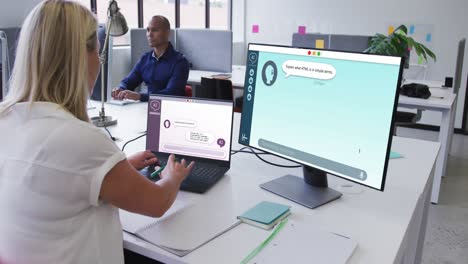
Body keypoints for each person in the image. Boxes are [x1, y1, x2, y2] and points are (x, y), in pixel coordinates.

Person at [0, 1, 194, 264]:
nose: (99, 61)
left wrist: (116, 167)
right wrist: (173, 176)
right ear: (81, 57)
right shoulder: (80, 140)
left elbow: (56, 177)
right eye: (97, 53)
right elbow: (157, 203)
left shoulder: (6, 118)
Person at [112, 15, 189, 102]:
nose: (150, 34)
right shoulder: (145, 59)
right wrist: (120, 88)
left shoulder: (180, 62)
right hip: (148, 108)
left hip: (171, 110)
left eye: (155, 30)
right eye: (148, 30)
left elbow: (172, 93)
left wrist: (140, 96)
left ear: (167, 32)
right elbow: (128, 81)